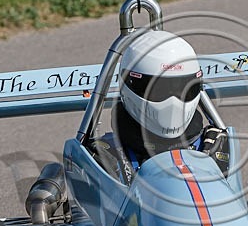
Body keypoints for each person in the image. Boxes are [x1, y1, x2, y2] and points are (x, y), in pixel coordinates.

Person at [90, 30, 229, 184]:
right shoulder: (106, 157)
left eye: (181, 89)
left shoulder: (214, 147)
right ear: (131, 84)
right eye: (160, 90)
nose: (173, 102)